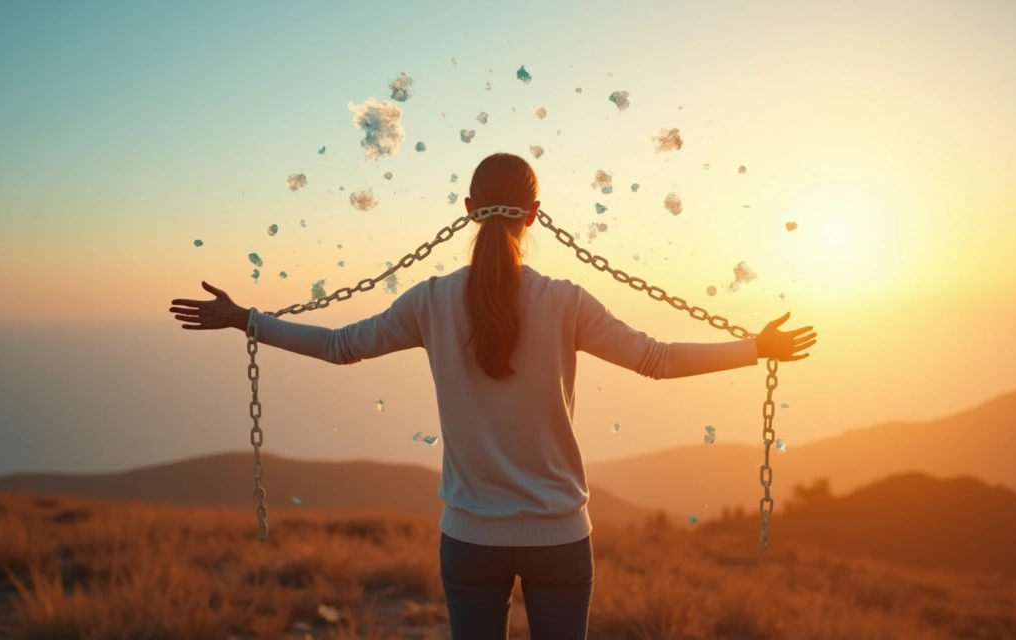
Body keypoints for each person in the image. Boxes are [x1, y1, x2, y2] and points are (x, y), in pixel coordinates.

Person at [169, 152, 816, 639]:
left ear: (468, 208)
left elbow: (341, 346)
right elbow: (658, 360)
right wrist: (755, 348)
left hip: (469, 539)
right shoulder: (564, 301)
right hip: (560, 538)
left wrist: (247, 319)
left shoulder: (430, 301)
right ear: (535, 215)